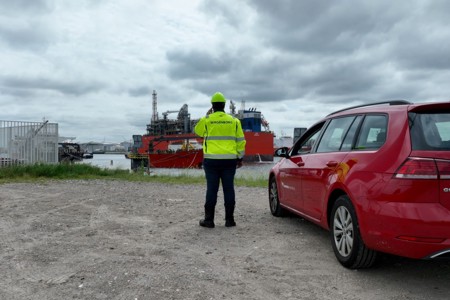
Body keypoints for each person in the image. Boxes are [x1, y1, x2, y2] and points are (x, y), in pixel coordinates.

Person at [194, 92, 246, 228]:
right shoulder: (234, 121)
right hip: (229, 161)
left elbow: (197, 131)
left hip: (211, 161)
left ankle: (209, 220)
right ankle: (230, 220)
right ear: (224, 106)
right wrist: (239, 158)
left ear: (212, 106)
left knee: (212, 190)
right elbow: (241, 141)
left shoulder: (207, 119)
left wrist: (207, 115)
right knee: (229, 189)